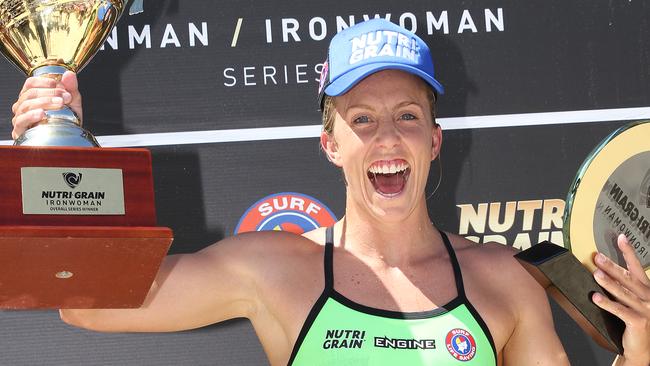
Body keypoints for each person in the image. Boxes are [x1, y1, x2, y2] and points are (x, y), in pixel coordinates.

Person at [10, 18, 650, 366]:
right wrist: (57, 147)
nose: (387, 140)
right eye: (361, 120)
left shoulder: (503, 277)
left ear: (434, 141)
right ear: (330, 145)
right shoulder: (269, 268)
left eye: (407, 116)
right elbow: (89, 306)